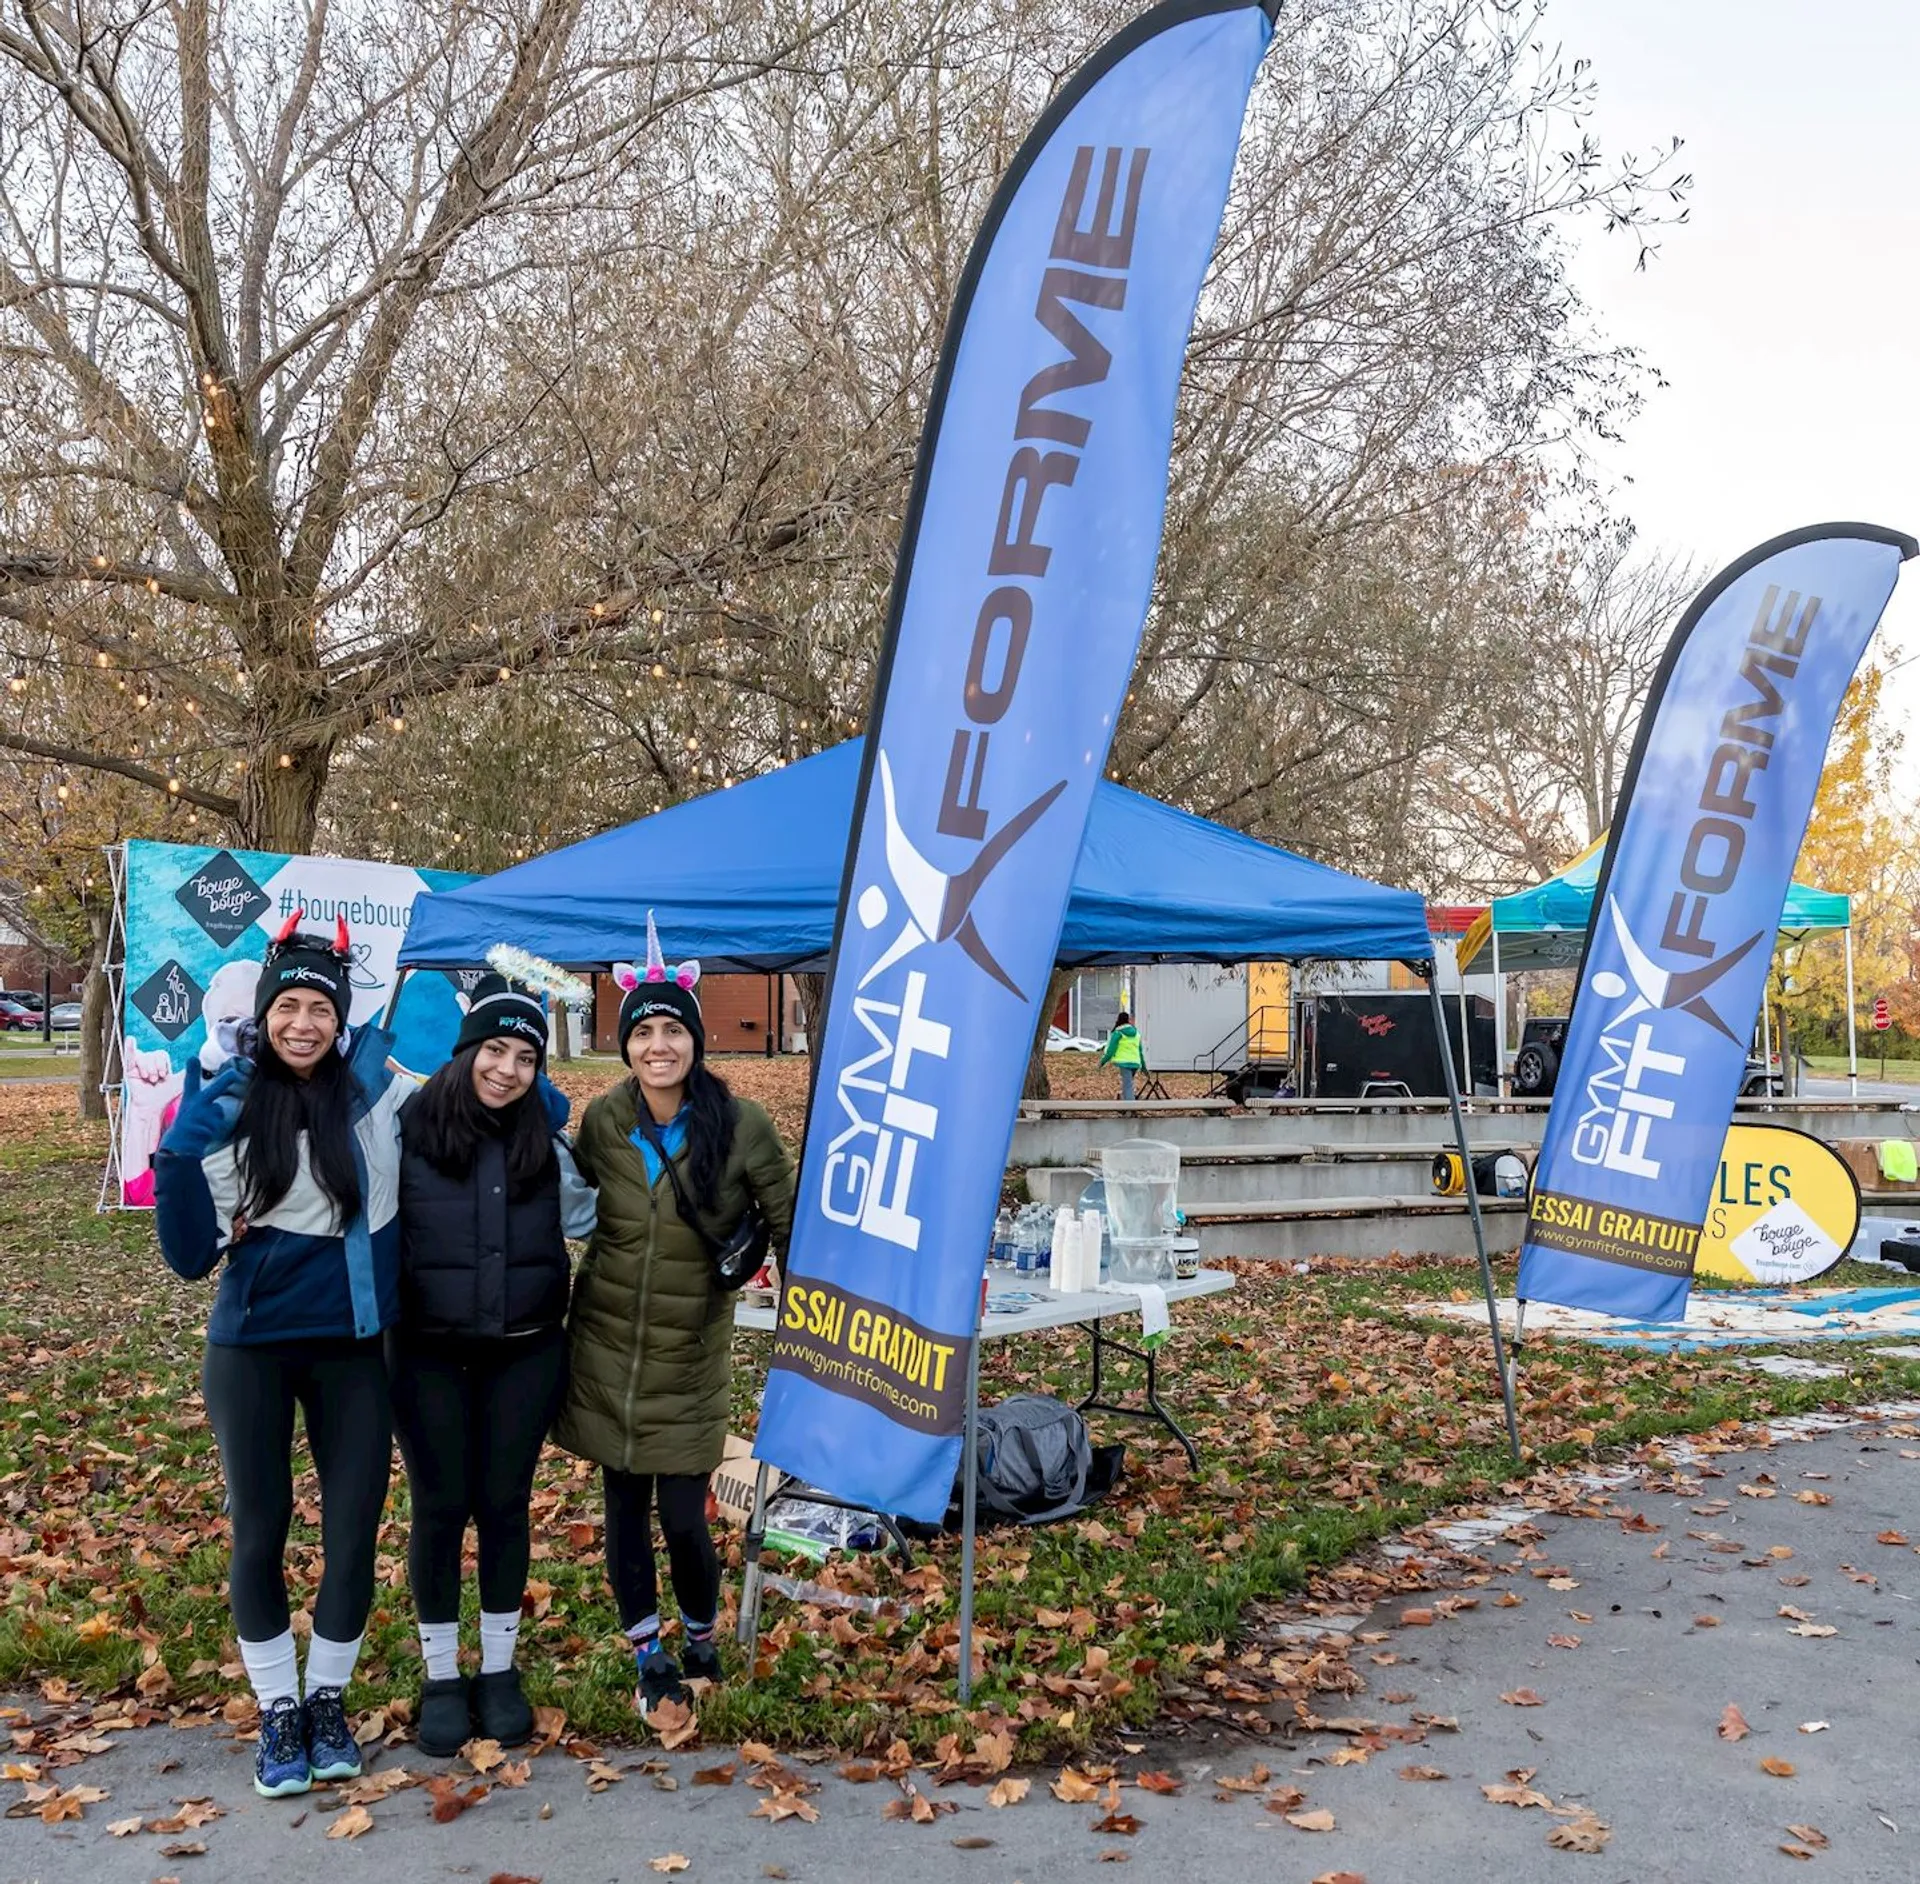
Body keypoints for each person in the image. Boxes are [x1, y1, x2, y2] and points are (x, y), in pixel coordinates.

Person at [153, 917, 407, 1798]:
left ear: (341, 1019)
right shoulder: (230, 1101)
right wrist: (180, 1152)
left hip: (353, 1352)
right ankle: (279, 1712)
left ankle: (327, 1701)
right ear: (266, 1014)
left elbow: (478, 1105)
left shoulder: (377, 1095)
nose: (305, 1023)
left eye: (320, 1009)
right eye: (289, 1006)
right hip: (252, 1349)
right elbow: (190, 1256)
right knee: (260, 1530)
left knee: (351, 1534)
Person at [552, 916, 795, 1719]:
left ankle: (699, 1635)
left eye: (672, 1030)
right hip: (608, 1349)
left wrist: (810, 1318)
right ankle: (647, 1651)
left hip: (692, 1352)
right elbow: (566, 1204)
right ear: (625, 1045)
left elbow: (789, 1220)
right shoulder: (603, 1122)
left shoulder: (743, 1126)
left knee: (685, 1518)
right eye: (644, 1031)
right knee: (623, 1510)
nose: (659, 1045)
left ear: (695, 1039)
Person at [390, 973, 594, 1756]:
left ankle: (500, 1669)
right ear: (466, 1049)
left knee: (505, 1504)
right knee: (441, 1507)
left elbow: (592, 1215)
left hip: (526, 1348)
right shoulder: (407, 1126)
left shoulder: (546, 1138)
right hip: (429, 1350)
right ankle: (443, 1674)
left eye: (525, 1058)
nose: (506, 1069)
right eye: (494, 1051)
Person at [1100, 1008, 1147, 1100]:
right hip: (1135, 1063)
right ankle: (1124, 1101)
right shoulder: (1136, 1033)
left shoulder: (1118, 1033)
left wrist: (1102, 1062)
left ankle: (1130, 1108)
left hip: (1124, 1062)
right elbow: (1140, 1051)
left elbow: (1111, 1050)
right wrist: (1143, 1066)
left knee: (1127, 1085)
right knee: (1128, 1083)